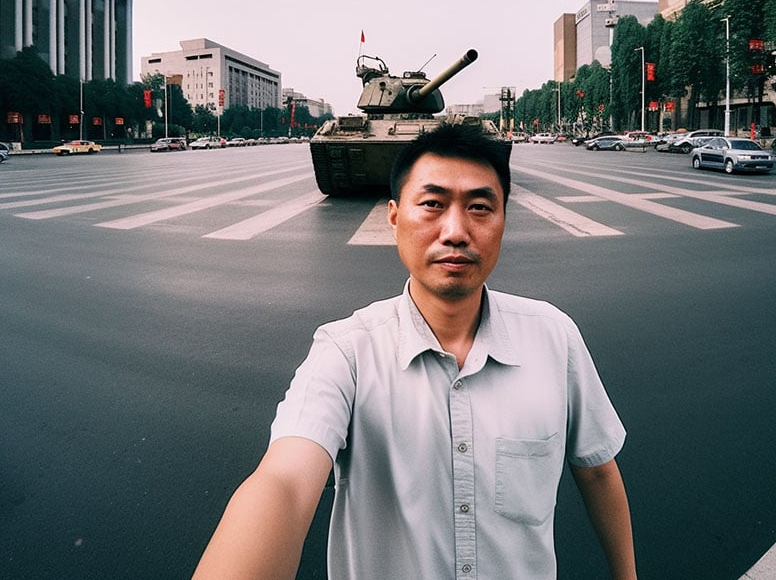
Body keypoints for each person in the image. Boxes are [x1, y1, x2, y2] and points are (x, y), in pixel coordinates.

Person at [193, 123, 636, 580]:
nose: (456, 231)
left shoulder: (554, 338)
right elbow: (282, 483)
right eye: (432, 205)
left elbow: (598, 472)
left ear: (505, 220)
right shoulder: (348, 352)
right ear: (393, 217)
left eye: (480, 208)